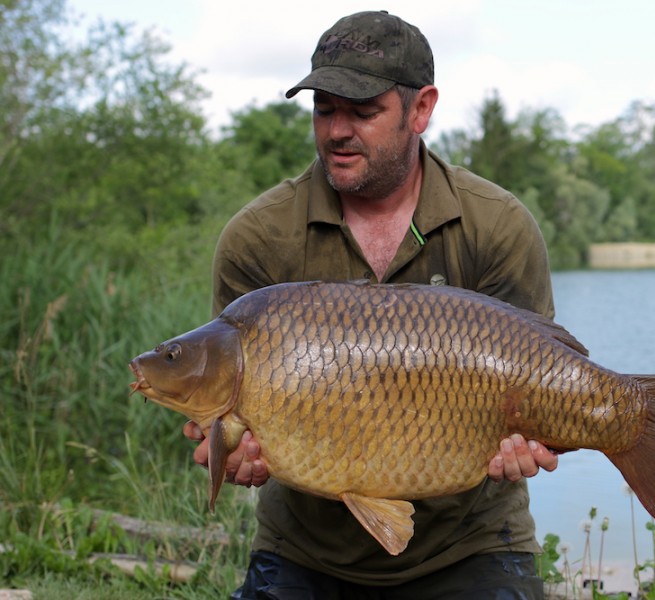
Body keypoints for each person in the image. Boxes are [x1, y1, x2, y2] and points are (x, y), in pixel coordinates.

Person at [182, 10, 559, 599]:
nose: (337, 131)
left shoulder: (498, 224)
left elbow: (540, 375)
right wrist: (232, 456)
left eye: (362, 112)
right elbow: (226, 421)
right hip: (306, 549)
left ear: (422, 109)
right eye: (324, 109)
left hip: (472, 539)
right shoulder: (258, 236)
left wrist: (532, 440)